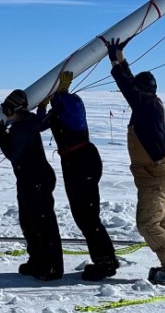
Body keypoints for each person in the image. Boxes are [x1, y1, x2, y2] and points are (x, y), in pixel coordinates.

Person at [102, 37, 165, 285]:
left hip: (154, 173)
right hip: (152, 173)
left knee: (147, 224)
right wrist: (119, 56)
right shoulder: (147, 104)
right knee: (159, 221)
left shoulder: (146, 105)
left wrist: (115, 59)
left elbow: (128, 86)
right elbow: (130, 84)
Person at [37, 71, 119, 281]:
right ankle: (106, 258)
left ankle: (105, 262)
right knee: (82, 215)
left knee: (88, 216)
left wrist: (61, 94)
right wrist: (43, 106)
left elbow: (70, 110)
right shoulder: (59, 111)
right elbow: (40, 125)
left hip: (83, 162)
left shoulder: (73, 104)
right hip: (73, 163)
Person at [0, 88, 64, 281]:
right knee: (29, 221)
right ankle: (37, 260)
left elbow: (13, 155)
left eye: (7, 109)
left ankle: (52, 267)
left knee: (42, 223)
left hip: (36, 180)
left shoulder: (22, 127)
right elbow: (41, 122)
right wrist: (42, 108)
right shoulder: (30, 122)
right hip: (30, 179)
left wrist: (2, 138)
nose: (5, 113)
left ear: (16, 110)